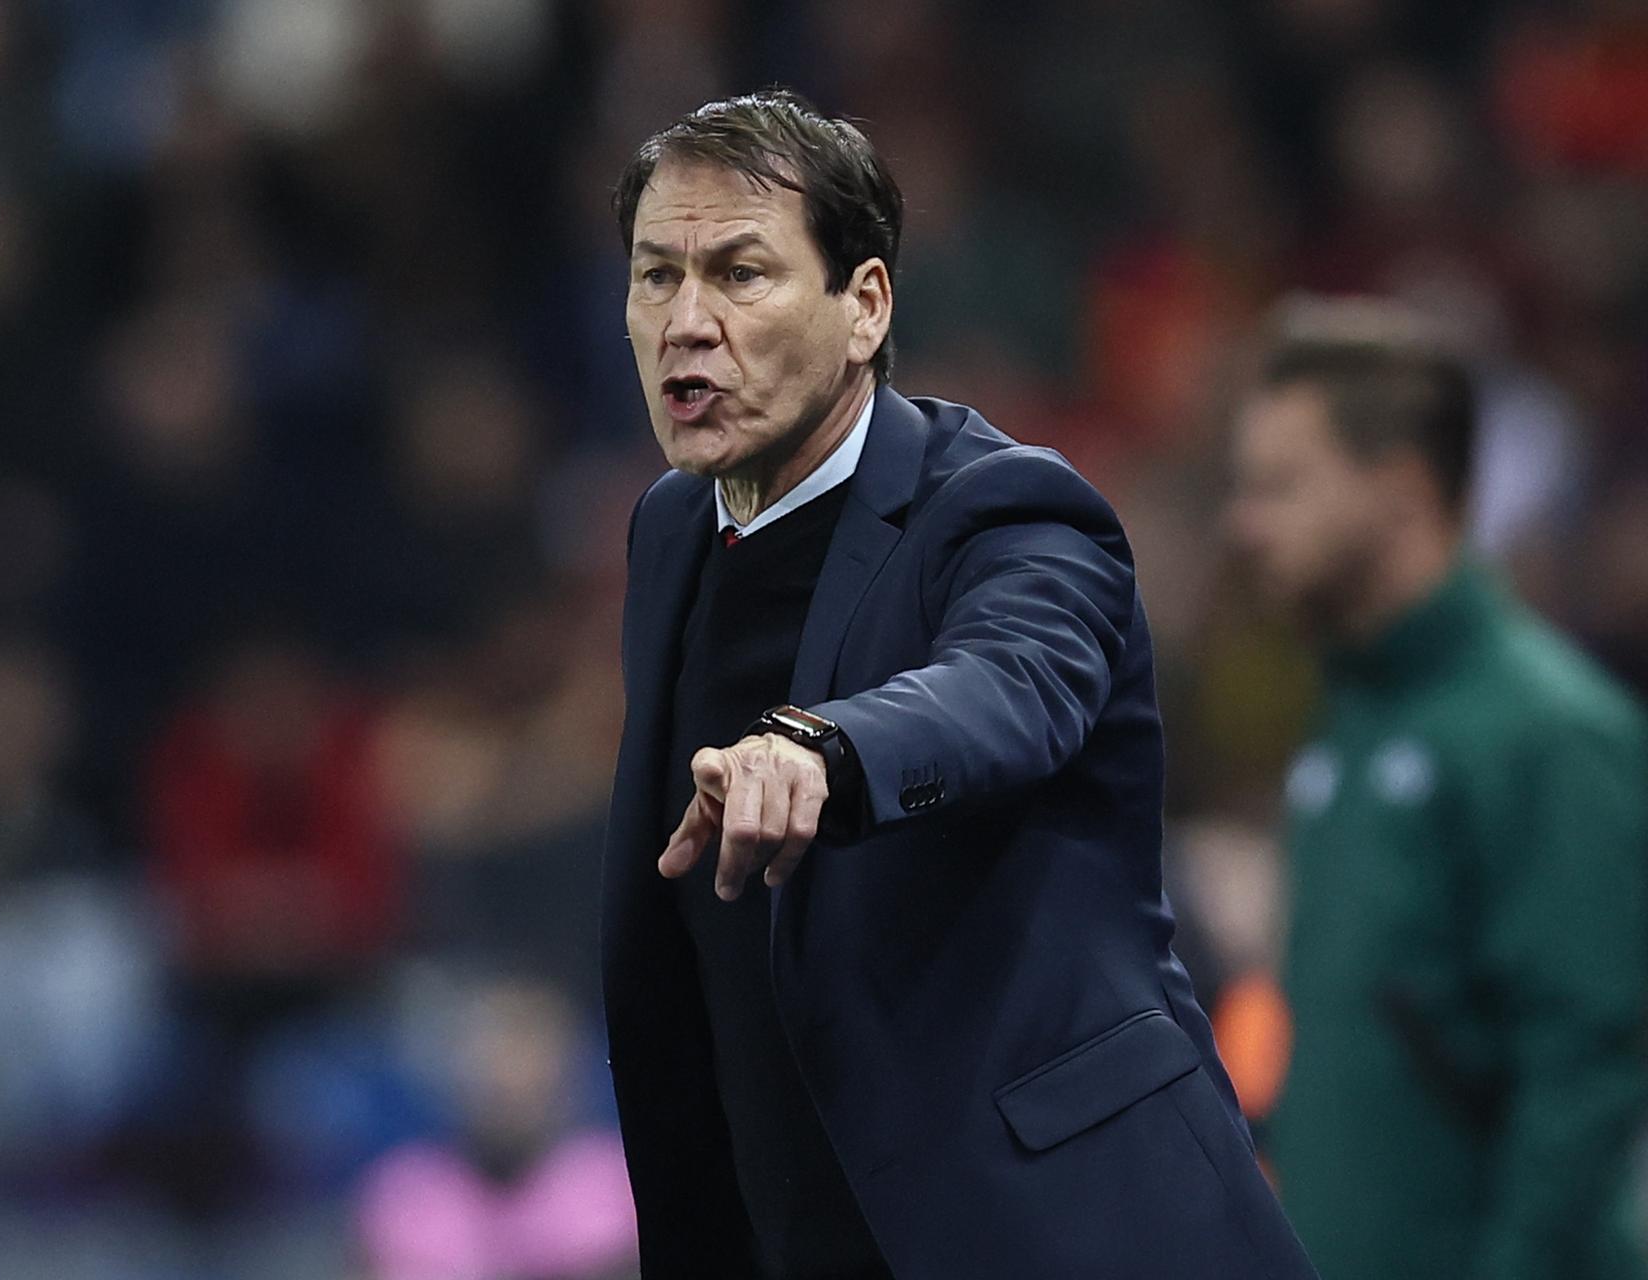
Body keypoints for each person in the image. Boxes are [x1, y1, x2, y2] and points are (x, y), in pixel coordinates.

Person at [599, 89, 1316, 1280]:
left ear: (865, 304)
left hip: (1063, 1229)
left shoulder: (1006, 505)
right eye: (654, 276)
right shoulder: (670, 528)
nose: (686, 321)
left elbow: (1012, 685)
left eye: (738, 274)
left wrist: (824, 749)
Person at [1228, 297, 1648, 1280]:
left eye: (1282, 485)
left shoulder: (1548, 732)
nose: (1243, 523)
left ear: (1407, 490)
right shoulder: (1352, 719)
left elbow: (1584, 1074)